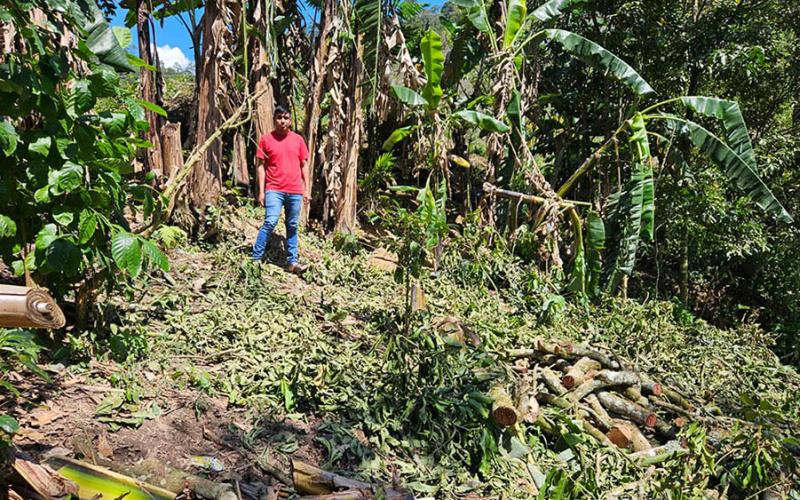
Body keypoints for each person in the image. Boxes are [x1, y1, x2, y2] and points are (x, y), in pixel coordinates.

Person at [251, 104, 309, 274]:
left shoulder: (298, 140)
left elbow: (304, 165)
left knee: (292, 225)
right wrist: (261, 191)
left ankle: (292, 262)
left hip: (295, 190)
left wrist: (306, 189)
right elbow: (261, 167)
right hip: (274, 189)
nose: (283, 121)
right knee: (270, 221)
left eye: (286, 118)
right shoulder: (266, 139)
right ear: (274, 119)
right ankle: (255, 258)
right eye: (279, 118)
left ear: (290, 120)